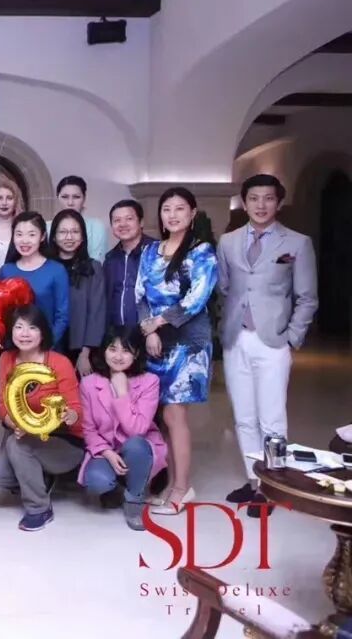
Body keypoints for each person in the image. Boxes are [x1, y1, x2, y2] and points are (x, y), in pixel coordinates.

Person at [218, 174, 317, 517]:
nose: (261, 205)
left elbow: (307, 297)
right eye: (254, 198)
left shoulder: (297, 243)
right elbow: (224, 287)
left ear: (278, 203)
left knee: (272, 419)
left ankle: (273, 487)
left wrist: (291, 337)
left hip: (273, 341)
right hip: (235, 339)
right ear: (244, 203)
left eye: (268, 198)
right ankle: (253, 480)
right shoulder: (228, 241)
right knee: (244, 417)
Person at [135, 186, 218, 515]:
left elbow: (196, 299)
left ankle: (182, 488)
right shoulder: (150, 251)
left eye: (180, 208)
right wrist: (149, 330)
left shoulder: (201, 252)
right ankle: (171, 484)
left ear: (192, 213)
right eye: (167, 209)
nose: (172, 215)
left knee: (175, 414)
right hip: (155, 342)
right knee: (163, 417)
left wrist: (157, 323)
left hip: (187, 343)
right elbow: (141, 294)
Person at [0, 305, 83, 532]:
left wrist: (69, 415)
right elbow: (2, 403)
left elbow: (76, 410)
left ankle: (39, 509)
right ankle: (41, 479)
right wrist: (14, 423)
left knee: (15, 445)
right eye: (19, 327)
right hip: (24, 438)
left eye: (32, 328)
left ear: (43, 332)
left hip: (62, 442)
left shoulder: (59, 362)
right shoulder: (6, 359)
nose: (25, 334)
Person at [77, 327, 167, 531]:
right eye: (112, 349)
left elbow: (138, 429)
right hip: (106, 448)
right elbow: (89, 430)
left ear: (136, 353)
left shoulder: (149, 382)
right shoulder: (89, 383)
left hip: (138, 447)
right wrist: (107, 453)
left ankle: (134, 499)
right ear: (103, 351)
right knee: (97, 482)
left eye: (126, 350)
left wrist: (122, 392)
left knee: (135, 445)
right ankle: (117, 487)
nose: (118, 356)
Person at [0, 212, 69, 349]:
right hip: (14, 349)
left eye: (31, 234)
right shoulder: (6, 271)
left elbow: (62, 316)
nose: (24, 241)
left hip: (48, 349)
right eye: (19, 234)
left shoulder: (57, 270)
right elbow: (1, 313)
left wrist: (46, 344)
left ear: (42, 236)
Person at [50, 209, 106, 373]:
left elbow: (96, 313)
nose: (69, 237)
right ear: (54, 236)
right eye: (63, 232)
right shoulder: (45, 267)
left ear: (82, 237)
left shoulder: (93, 268)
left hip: (81, 349)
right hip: (50, 345)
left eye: (75, 232)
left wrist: (85, 354)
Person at [104, 199, 157, 332]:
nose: (123, 224)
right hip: (118, 334)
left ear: (141, 222)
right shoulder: (110, 259)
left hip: (153, 333)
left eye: (129, 219)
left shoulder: (157, 252)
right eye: (117, 220)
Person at [56, 175, 108, 261]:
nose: (70, 203)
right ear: (57, 197)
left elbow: (97, 261)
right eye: (65, 197)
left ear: (84, 198)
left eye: (76, 197)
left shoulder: (96, 226)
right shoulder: (48, 227)